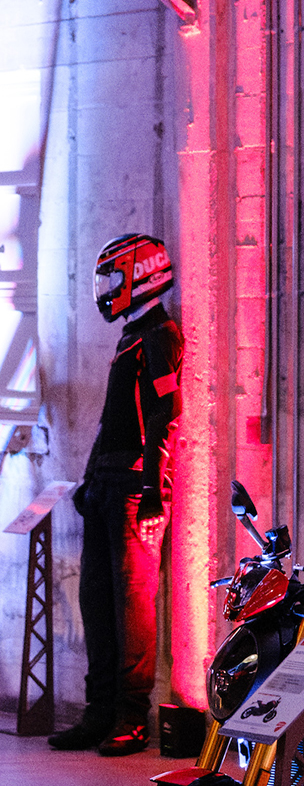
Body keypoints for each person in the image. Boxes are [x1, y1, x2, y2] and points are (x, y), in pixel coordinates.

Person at [49, 234, 183, 756]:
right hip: (108, 488)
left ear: (139, 276)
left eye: (111, 279)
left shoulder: (159, 336)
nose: (106, 290)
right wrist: (88, 480)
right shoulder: (133, 336)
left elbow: (165, 417)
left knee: (132, 609)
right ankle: (100, 712)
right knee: (99, 604)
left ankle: (131, 716)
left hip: (135, 493)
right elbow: (113, 423)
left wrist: (153, 488)